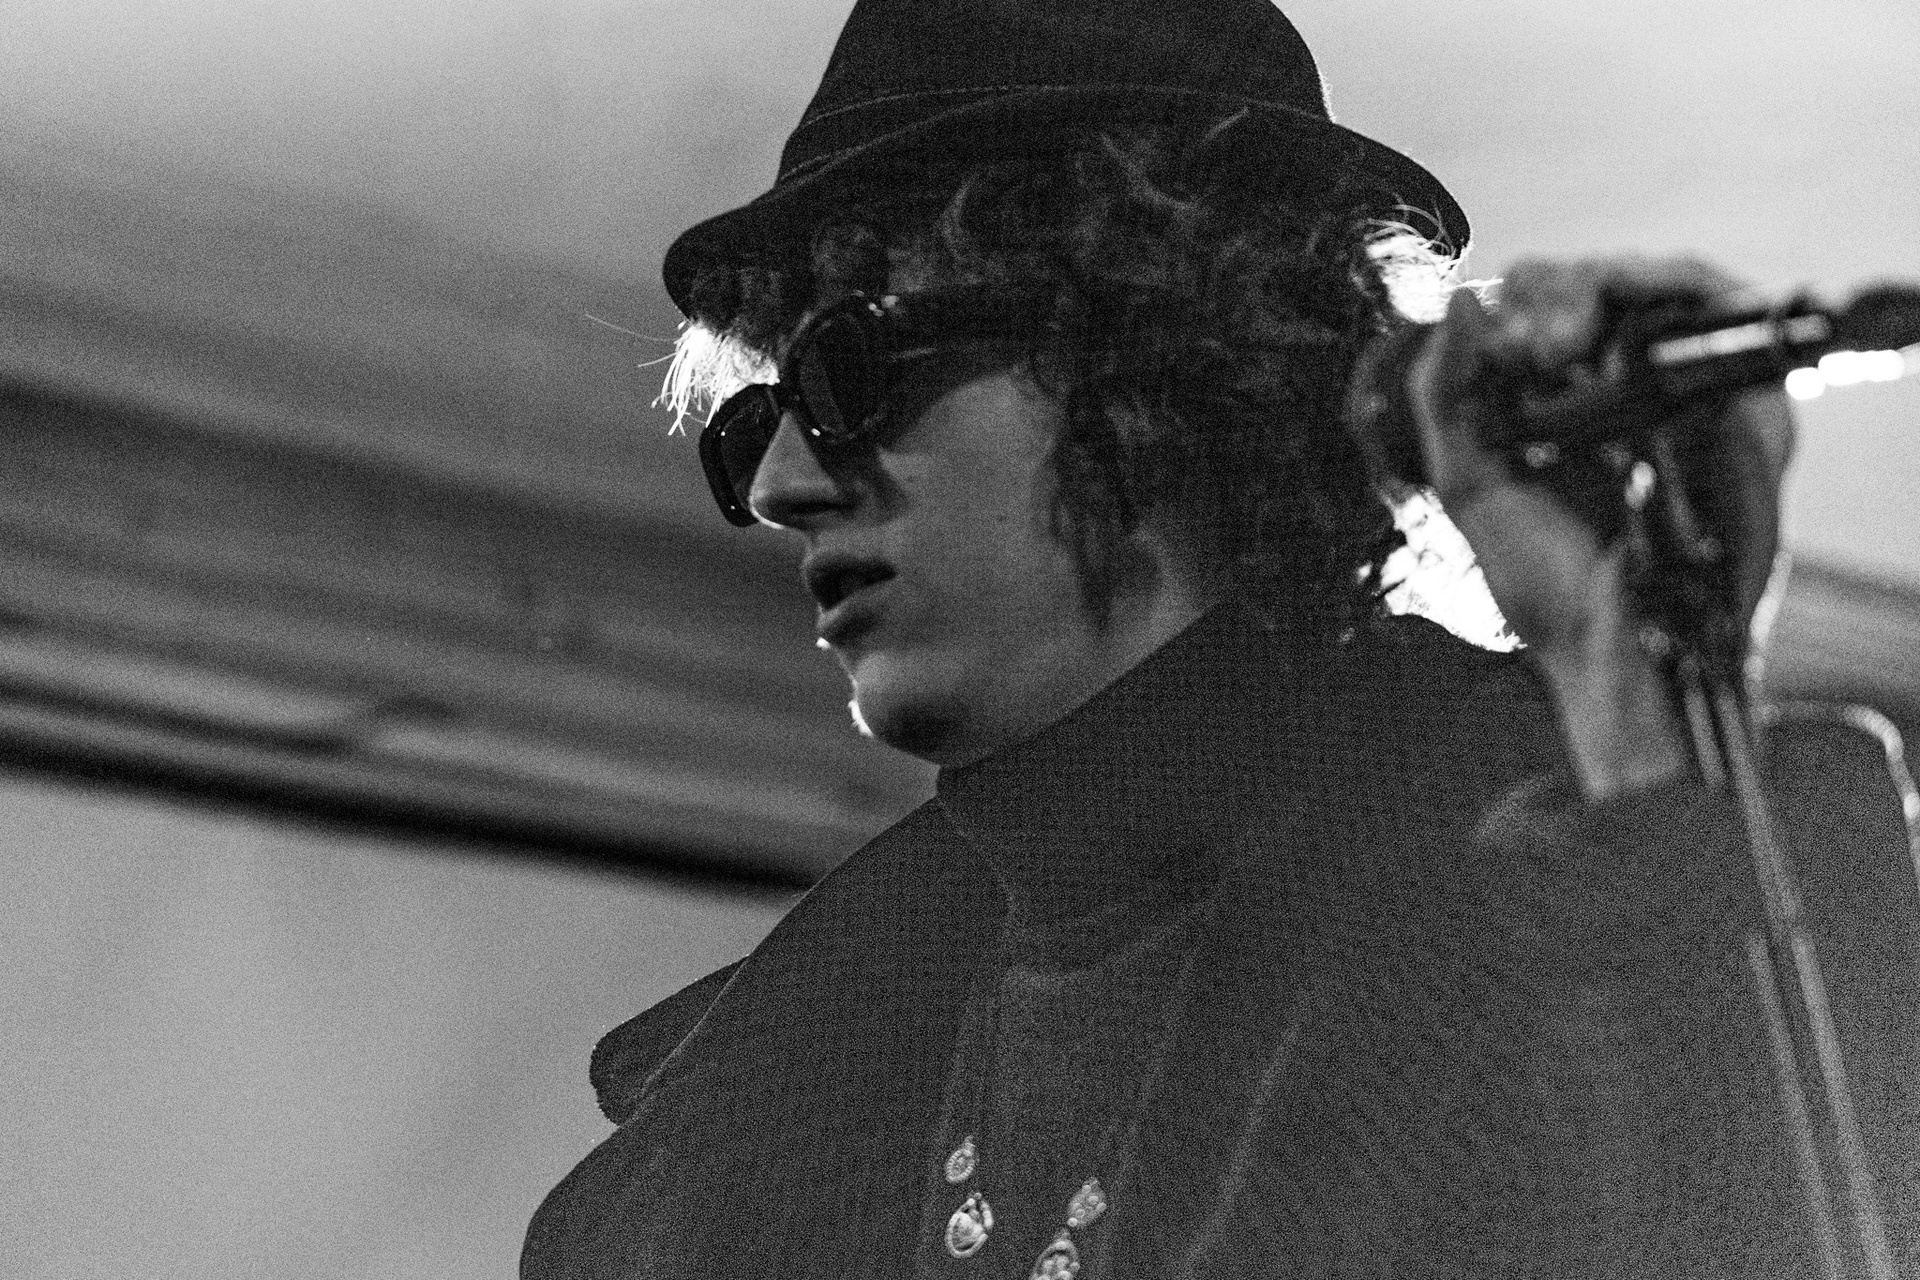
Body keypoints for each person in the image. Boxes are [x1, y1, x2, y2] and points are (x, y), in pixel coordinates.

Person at [523, 1, 1920, 1275]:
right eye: (759, 419)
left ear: (1160, 348)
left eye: (852, 369)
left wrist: (1648, 750)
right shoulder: (747, 1110)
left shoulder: (1644, 857)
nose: (780, 485)